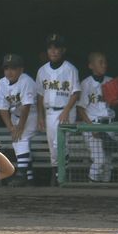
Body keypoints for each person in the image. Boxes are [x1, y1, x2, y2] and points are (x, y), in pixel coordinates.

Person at [36, 34, 81, 186]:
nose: (53, 51)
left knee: (60, 145)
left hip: (65, 110)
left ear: (63, 50)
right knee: (52, 147)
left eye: (57, 48)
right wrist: (40, 116)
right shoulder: (42, 70)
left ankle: (60, 175)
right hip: (49, 111)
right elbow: (40, 95)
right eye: (50, 48)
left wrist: (66, 111)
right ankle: (57, 174)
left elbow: (76, 93)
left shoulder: (70, 69)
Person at [0, 54, 38, 186]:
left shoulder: (26, 81)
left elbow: (26, 106)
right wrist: (11, 127)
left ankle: (22, 174)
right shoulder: (1, 83)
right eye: (6, 68)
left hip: (31, 114)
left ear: (21, 69)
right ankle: (29, 178)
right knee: (18, 140)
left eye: (13, 68)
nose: (9, 71)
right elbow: (2, 108)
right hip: (15, 115)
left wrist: (20, 127)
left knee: (20, 139)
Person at [77, 52, 118, 183]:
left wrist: (116, 100)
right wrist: (90, 127)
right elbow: (80, 108)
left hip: (109, 123)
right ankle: (91, 187)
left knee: (108, 163)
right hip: (93, 124)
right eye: (100, 62)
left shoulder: (110, 81)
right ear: (91, 65)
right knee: (99, 160)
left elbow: (112, 105)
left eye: (105, 62)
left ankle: (105, 193)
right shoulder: (85, 83)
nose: (104, 65)